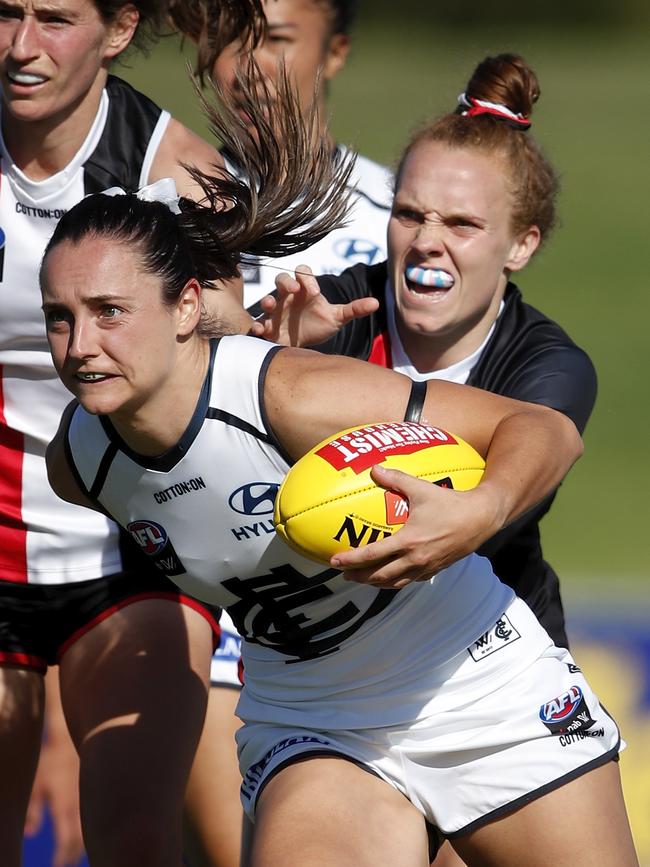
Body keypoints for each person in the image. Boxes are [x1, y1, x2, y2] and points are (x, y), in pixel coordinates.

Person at [40, 72, 637, 867]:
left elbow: (540, 430)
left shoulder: (288, 388)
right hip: (314, 713)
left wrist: (478, 511)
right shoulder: (77, 463)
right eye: (58, 317)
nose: (81, 346)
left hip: (470, 677)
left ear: (185, 307)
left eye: (109, 311)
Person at [250, 52, 601, 865]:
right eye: (409, 213)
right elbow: (185, 384)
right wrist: (264, 365)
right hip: (335, 684)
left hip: (489, 674)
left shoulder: (547, 362)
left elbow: (543, 442)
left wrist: (479, 509)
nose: (425, 242)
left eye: (463, 224)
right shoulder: (329, 311)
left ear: (521, 245)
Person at [0, 2, 258, 866]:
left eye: (55, 18)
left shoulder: (176, 172)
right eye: (4, 13)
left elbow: (228, 347)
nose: (22, 45)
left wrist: (275, 331)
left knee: (135, 838)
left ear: (118, 30)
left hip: (130, 550)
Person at [168, 3, 393, 863]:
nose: (251, 66)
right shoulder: (157, 215)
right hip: (204, 602)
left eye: (278, 39)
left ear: (335, 51)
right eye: (230, 40)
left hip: (361, 598)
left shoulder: (399, 217)